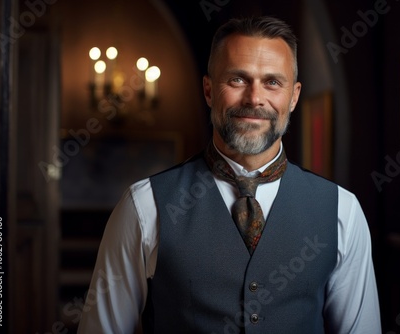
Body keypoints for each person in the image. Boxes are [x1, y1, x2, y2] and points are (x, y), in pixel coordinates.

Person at [77, 16, 381, 333]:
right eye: (237, 80)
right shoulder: (144, 205)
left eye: (273, 82)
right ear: (209, 90)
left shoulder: (342, 211)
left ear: (293, 97)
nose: (254, 98)